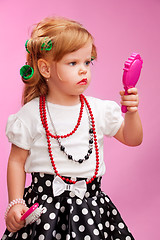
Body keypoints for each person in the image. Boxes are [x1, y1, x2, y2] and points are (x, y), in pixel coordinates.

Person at [2, 17, 143, 240]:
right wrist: (16, 202)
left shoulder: (100, 110)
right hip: (44, 212)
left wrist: (131, 112)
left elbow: (132, 138)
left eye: (88, 62)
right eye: (73, 63)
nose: (83, 71)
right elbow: (17, 161)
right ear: (45, 69)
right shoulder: (30, 114)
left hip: (93, 210)